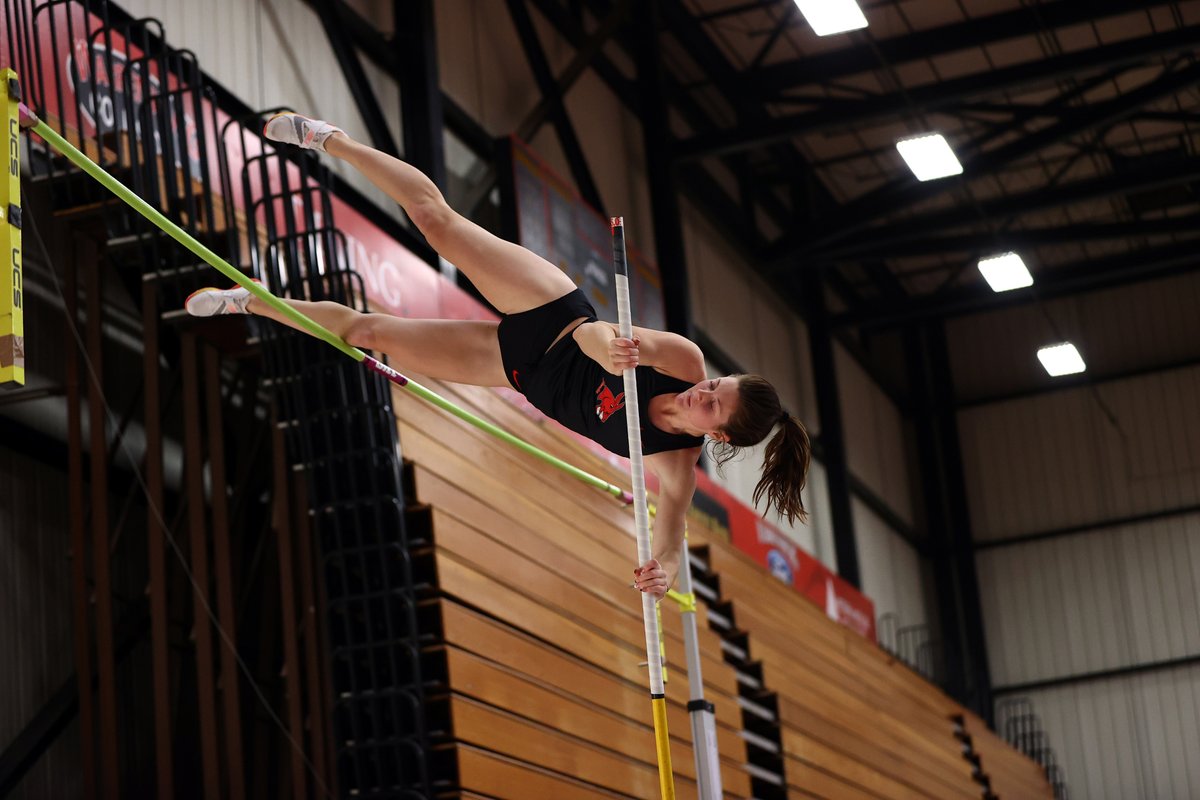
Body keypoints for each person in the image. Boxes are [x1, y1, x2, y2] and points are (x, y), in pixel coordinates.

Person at [187, 113, 811, 600]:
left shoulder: (675, 467)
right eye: (717, 385)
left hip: (516, 369)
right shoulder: (683, 359)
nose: (703, 393)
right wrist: (609, 350)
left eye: (713, 406)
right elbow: (595, 336)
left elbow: (671, 544)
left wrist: (664, 573)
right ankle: (331, 140)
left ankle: (250, 301)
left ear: (717, 435)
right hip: (554, 315)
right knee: (437, 223)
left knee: (367, 332)